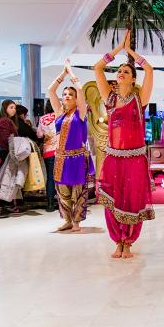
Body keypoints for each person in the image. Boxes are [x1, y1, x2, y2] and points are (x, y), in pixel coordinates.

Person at [94, 30, 155, 259]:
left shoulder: (140, 100)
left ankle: (128, 242)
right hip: (113, 160)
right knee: (112, 202)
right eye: (119, 70)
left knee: (132, 201)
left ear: (132, 78)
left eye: (125, 71)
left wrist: (130, 52)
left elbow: (149, 70)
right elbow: (97, 69)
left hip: (135, 160)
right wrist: (118, 49)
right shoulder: (109, 99)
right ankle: (116, 241)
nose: (120, 73)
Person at [47, 64, 94, 231]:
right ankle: (67, 219)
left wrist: (71, 72)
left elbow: (80, 91)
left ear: (76, 99)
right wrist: (63, 73)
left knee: (78, 191)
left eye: (70, 94)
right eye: (65, 94)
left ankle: (76, 222)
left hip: (78, 158)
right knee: (62, 191)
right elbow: (50, 91)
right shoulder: (60, 113)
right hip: (61, 158)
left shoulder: (80, 112)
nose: (66, 96)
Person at [0, 99, 21, 215]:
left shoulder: (8, 120)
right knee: (7, 178)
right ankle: (4, 205)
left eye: (14, 108)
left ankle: (7, 204)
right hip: (7, 152)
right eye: (11, 107)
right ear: (5, 108)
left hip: (9, 151)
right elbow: (6, 138)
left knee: (9, 178)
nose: (14, 110)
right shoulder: (5, 121)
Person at [37, 100, 58, 212]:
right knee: (61, 176)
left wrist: (46, 133)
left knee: (50, 177)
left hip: (47, 151)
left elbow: (39, 134)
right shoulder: (60, 115)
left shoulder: (42, 118)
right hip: (60, 150)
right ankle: (63, 202)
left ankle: (50, 204)